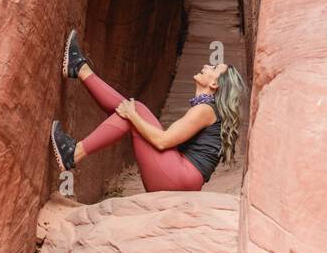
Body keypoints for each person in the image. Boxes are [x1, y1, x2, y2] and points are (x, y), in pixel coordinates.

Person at [50, 29, 244, 192]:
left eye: (214, 67)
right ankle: (80, 69)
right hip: (178, 178)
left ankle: (74, 152)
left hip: (178, 178)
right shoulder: (207, 110)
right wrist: (131, 115)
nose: (206, 65)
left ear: (214, 83)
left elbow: (162, 141)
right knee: (131, 112)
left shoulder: (205, 110)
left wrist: (133, 115)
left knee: (136, 110)